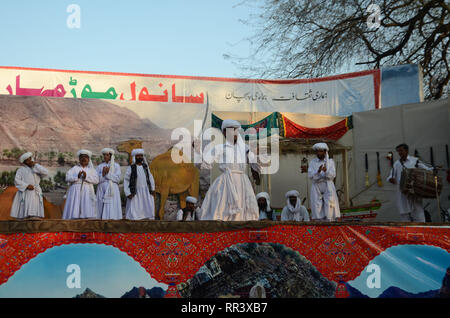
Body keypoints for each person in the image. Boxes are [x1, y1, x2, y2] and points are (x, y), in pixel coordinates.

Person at [199, 119, 260, 221]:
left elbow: (256, 166)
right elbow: (205, 164)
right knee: (222, 206)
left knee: (245, 209)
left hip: (242, 183)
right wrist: (197, 150)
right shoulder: (219, 148)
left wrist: (256, 153)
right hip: (225, 182)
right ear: (224, 133)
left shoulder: (245, 148)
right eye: (229, 130)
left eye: (235, 130)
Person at [388, 143, 432, 222]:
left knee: (419, 216)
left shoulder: (415, 161)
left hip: (414, 193)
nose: (400, 153)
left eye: (401, 150)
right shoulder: (396, 164)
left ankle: (421, 232)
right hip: (402, 194)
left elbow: (427, 170)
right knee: (405, 217)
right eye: (398, 151)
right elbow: (391, 176)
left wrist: (434, 169)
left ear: (407, 150)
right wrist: (391, 179)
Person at [10, 152, 49, 220]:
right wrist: (26, 186)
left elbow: (46, 172)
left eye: (30, 159)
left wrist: (36, 165)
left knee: (34, 206)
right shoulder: (21, 170)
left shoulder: (36, 169)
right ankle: (24, 218)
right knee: (25, 206)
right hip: (26, 191)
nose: (30, 161)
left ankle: (34, 217)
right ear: (24, 162)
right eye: (27, 160)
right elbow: (17, 181)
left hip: (35, 191)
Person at [307, 143, 340, 221]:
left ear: (325, 152)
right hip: (316, 186)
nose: (319, 153)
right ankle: (319, 222)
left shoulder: (330, 162)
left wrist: (326, 171)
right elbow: (311, 176)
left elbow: (332, 175)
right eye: (317, 151)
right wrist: (318, 172)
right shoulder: (312, 162)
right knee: (317, 205)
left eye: (321, 151)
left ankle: (330, 220)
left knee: (330, 205)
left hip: (328, 185)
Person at [63, 149, 99, 219]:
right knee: (74, 209)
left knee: (87, 210)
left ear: (88, 159)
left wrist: (86, 177)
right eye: (82, 157)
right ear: (79, 159)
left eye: (86, 157)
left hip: (87, 192)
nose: (84, 158)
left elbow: (96, 180)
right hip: (75, 193)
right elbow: (67, 178)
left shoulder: (92, 170)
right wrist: (77, 177)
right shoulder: (74, 168)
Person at [123, 149, 156, 220]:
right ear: (135, 157)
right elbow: (126, 180)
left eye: (141, 156)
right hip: (134, 191)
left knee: (147, 207)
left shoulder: (145, 167)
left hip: (146, 190)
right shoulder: (131, 168)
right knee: (134, 209)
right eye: (138, 156)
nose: (140, 157)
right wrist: (128, 193)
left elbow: (150, 177)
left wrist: (152, 189)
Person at [96, 148, 122, 220]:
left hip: (112, 189)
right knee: (101, 206)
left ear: (111, 156)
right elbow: (96, 180)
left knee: (112, 206)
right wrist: (103, 174)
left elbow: (117, 179)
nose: (105, 157)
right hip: (101, 189)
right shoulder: (99, 166)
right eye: (104, 155)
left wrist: (107, 174)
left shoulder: (116, 166)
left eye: (107, 155)